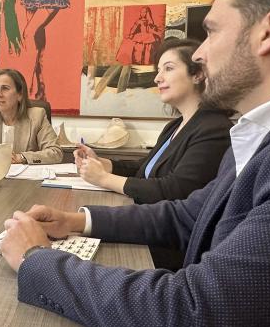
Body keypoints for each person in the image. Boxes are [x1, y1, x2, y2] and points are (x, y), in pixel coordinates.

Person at [0, 0, 270, 327]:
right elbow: (186, 215)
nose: (199, 54)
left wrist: (37, 260)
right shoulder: (265, 135)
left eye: (212, 31)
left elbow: (194, 320)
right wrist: (76, 220)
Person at [77, 38, 233, 205]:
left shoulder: (215, 129)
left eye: (169, 68)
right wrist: (100, 163)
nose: (157, 78)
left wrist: (103, 178)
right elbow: (143, 168)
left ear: (198, 74)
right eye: (158, 70)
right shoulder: (174, 126)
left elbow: (173, 190)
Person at [0, 69, 61, 165]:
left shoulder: (37, 117)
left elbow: (55, 153)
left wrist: (22, 157)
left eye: (5, 88)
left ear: (20, 94)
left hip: (26, 174)